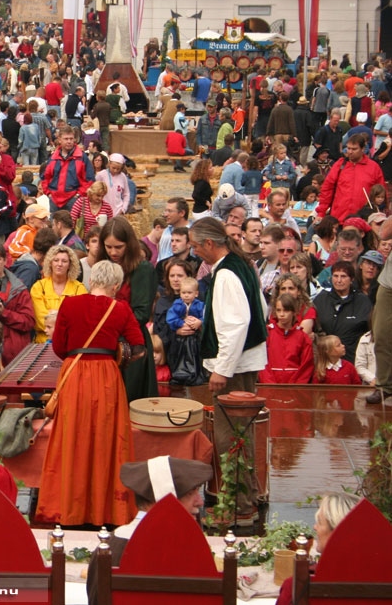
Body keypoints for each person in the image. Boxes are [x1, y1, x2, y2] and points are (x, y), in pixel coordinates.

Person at [37, 260, 145, 526]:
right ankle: (106, 511)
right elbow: (139, 346)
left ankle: (69, 508)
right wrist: (118, 354)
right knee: (108, 439)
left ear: (91, 280)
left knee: (71, 437)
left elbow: (60, 346)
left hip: (74, 373)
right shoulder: (120, 309)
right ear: (116, 286)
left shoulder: (70, 304)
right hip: (107, 375)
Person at [189, 217, 267, 525]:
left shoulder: (226, 274)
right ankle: (246, 499)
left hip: (233, 368)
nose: (194, 252)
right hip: (243, 361)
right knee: (240, 434)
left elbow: (236, 324)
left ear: (209, 244)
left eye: (195, 246)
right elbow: (262, 309)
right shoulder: (241, 264)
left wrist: (222, 368)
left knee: (231, 438)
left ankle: (238, 509)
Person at [86, 456, 213, 605]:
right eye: (190, 493)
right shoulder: (190, 550)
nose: (200, 502)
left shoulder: (108, 547)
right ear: (165, 499)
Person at [97, 217, 159, 402]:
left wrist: (111, 322)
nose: (113, 252)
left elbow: (141, 313)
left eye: (118, 247)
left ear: (129, 245)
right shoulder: (104, 266)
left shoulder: (143, 269)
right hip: (106, 341)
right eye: (108, 247)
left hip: (131, 343)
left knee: (131, 398)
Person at [275, 492, 362, 605]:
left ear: (337, 532)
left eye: (319, 522)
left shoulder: (297, 587)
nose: (315, 527)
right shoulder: (382, 582)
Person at [0, 242, 35, 366]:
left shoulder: (18, 288)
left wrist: (4, 313)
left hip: (12, 355)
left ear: (5, 260)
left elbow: (28, 322)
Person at [316, 133, 384, 222]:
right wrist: (321, 213)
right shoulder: (339, 165)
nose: (350, 152)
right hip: (339, 219)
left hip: (364, 220)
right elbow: (327, 190)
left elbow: (381, 192)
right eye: (348, 148)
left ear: (363, 149)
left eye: (354, 149)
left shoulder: (373, 167)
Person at [314, 261, 372, 362]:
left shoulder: (362, 301)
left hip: (353, 359)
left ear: (352, 279)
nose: (339, 280)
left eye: (343, 276)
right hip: (324, 360)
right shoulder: (321, 299)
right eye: (335, 276)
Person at [30, 245, 87, 343]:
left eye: (64, 261)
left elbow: (79, 321)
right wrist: (65, 317)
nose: (59, 264)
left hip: (69, 343)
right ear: (50, 263)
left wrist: (52, 314)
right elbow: (40, 321)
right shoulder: (38, 287)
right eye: (56, 260)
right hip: (42, 343)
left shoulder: (79, 288)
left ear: (70, 265)